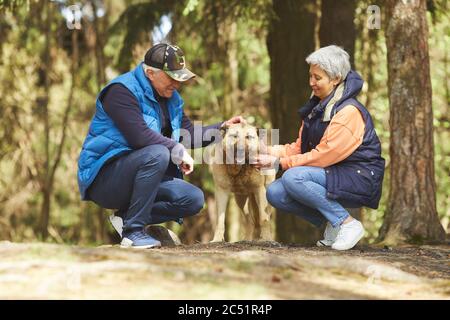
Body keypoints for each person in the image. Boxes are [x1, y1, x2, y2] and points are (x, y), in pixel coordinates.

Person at [77, 43, 245, 248]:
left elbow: (188, 134)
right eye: (171, 77)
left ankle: (125, 219)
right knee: (158, 153)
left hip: (143, 172)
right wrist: (177, 149)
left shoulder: (172, 98)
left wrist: (222, 129)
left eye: (179, 77)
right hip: (105, 178)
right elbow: (139, 136)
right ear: (150, 72)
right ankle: (133, 233)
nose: (177, 83)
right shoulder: (120, 91)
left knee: (192, 199)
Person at [254, 45, 385, 250]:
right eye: (311, 76)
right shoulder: (317, 108)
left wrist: (279, 163)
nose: (311, 83)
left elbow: (324, 156)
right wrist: (268, 151)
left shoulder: (348, 111)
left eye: (317, 78)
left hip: (360, 176)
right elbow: (299, 149)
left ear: (335, 79)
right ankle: (334, 223)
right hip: (333, 172)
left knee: (292, 176)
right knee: (275, 192)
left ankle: (347, 224)